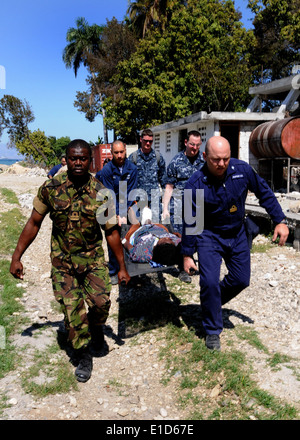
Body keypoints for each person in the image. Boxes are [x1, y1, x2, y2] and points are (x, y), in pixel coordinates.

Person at [10, 139, 130, 383]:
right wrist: (16, 256)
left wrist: (123, 268)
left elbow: (111, 233)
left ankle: (96, 329)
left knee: (101, 303)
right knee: (73, 311)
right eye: (74, 158)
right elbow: (34, 223)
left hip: (93, 261)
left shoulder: (101, 192)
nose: (78, 162)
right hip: (63, 263)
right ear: (66, 159)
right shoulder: (51, 188)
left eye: (83, 158)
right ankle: (83, 353)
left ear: (90, 160)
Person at [181, 136, 289, 351]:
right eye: (216, 160)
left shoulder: (242, 170)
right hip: (209, 236)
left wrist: (279, 220)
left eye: (226, 158)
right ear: (204, 157)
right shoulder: (194, 184)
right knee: (209, 282)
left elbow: (264, 193)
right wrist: (186, 254)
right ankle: (212, 330)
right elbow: (191, 222)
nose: (221, 164)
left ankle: (210, 303)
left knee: (241, 280)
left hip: (237, 232)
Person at [162, 130, 204, 283]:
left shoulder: (203, 161)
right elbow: (169, 187)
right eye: (192, 144)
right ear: (186, 142)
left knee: (199, 235)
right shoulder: (176, 162)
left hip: (198, 205)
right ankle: (182, 269)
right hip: (179, 205)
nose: (194, 148)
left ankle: (199, 265)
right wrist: (165, 208)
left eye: (198, 145)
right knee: (180, 237)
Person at [96, 140, 138, 284]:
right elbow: (110, 194)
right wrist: (118, 215)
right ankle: (114, 270)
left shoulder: (132, 168)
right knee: (112, 233)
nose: (119, 155)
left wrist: (125, 213)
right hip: (111, 204)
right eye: (116, 152)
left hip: (127, 203)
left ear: (125, 150)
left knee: (133, 233)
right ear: (111, 152)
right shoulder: (107, 170)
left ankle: (132, 268)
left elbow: (131, 192)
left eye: (121, 152)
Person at [128, 129, 167, 224]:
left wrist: (166, 202)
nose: (148, 143)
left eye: (150, 141)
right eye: (146, 141)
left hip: (155, 199)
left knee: (156, 227)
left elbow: (163, 180)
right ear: (141, 139)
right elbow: (128, 181)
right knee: (139, 228)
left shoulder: (158, 157)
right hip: (138, 200)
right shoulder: (133, 158)